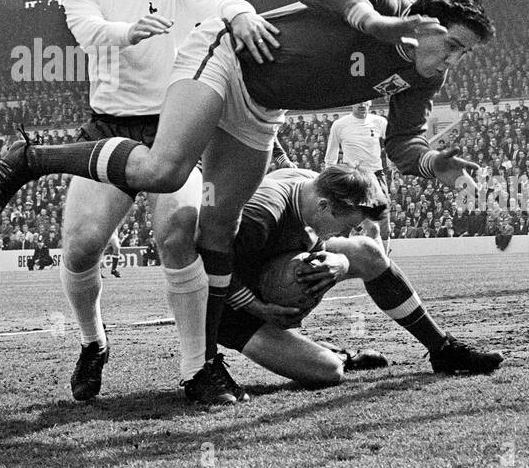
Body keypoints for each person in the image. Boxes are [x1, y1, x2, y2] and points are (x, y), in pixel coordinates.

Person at [0, 0, 493, 405]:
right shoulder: (386, 2)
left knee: (218, 228)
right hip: (226, 55)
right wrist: (376, 22)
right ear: (425, 19)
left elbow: (404, 147)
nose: (452, 60)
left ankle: (203, 369)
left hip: (264, 107)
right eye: (450, 44)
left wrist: (433, 165)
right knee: (166, 170)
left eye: (463, 54)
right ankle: (34, 156)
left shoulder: (426, 78)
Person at [49, 0, 280, 405]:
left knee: (177, 235)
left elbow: (211, 1)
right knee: (82, 247)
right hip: (111, 129)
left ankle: (198, 370)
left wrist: (240, 9)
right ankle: (93, 342)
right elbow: (89, 30)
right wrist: (130, 31)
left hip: (176, 124)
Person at [213, 164, 502, 396]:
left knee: (366, 251)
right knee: (327, 371)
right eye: (348, 226)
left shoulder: (313, 189)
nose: (348, 233)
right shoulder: (260, 213)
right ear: (325, 207)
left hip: (268, 263)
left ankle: (443, 349)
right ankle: (336, 356)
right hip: (223, 306)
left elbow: (310, 238)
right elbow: (208, 264)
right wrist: (257, 308)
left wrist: (341, 261)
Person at [324, 100, 390, 247]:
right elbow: (331, 155)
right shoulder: (340, 125)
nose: (361, 104)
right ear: (352, 103)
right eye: (358, 102)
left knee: (384, 226)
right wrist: (330, 179)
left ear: (370, 103)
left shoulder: (379, 122)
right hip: (353, 178)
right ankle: (342, 260)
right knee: (347, 224)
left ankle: (385, 263)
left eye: (365, 101)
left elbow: (393, 143)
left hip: (376, 176)